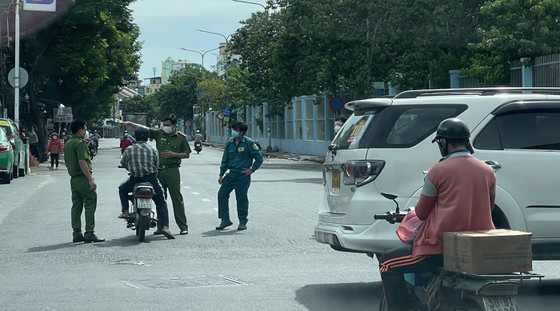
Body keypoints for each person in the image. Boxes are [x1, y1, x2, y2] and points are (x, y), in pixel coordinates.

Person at [378, 118, 496, 310]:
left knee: (387, 263)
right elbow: (489, 207)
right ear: (467, 141)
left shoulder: (437, 171)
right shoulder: (488, 171)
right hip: (476, 248)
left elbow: (423, 213)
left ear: (443, 143)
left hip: (438, 249)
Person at [117, 117, 191, 235]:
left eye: (167, 125)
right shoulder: (159, 133)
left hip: (172, 170)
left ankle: (183, 226)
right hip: (158, 171)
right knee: (160, 198)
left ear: (174, 126)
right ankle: (161, 226)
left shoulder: (181, 138)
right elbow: (142, 129)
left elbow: (187, 154)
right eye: (164, 124)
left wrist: (173, 154)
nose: (165, 127)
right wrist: (128, 123)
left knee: (176, 198)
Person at [118, 127, 174, 239]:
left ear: (135, 136)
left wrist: (129, 166)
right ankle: (165, 227)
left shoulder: (129, 149)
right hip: (151, 180)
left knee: (122, 189)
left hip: (135, 179)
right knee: (161, 202)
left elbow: (123, 162)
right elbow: (157, 164)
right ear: (147, 137)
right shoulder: (153, 150)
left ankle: (125, 211)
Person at [216, 121, 263, 231]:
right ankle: (225, 219)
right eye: (233, 129)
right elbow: (225, 160)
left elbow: (259, 158)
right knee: (222, 195)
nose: (234, 132)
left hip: (242, 176)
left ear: (242, 132)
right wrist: (221, 174)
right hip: (231, 174)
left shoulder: (249, 143)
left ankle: (242, 221)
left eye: (236, 130)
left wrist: (252, 169)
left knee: (241, 198)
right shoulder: (229, 143)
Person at [64, 119, 104, 243]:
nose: (86, 132)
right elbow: (82, 162)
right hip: (83, 178)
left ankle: (76, 233)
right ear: (80, 130)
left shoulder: (69, 143)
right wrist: (90, 179)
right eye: (85, 129)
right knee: (90, 205)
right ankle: (89, 233)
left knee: (76, 207)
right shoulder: (80, 144)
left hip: (73, 179)